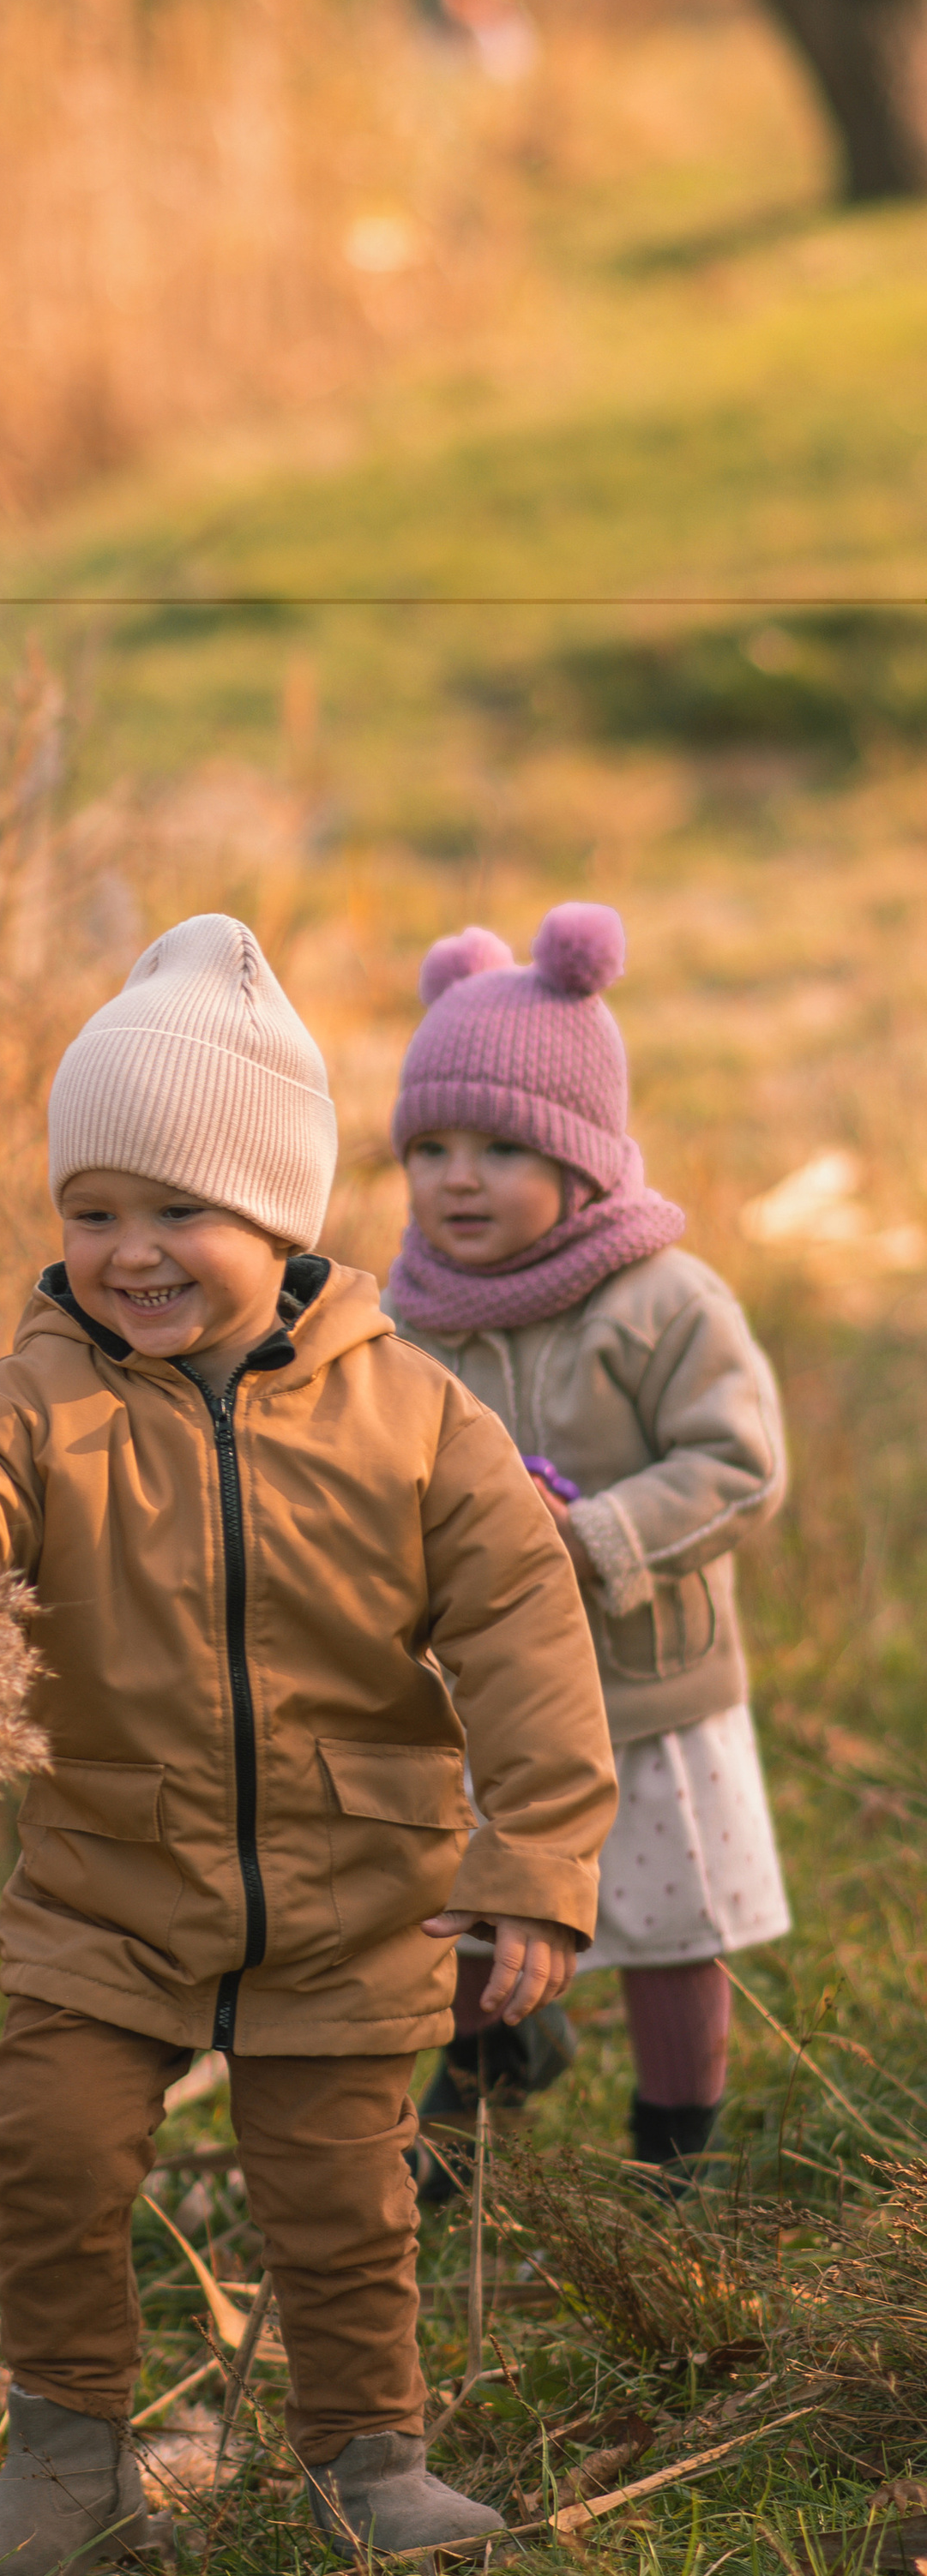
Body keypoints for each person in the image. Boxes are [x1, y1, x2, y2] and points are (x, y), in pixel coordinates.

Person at [0, 916, 614, 2576]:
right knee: (50, 2142)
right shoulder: (36, 1407)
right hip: (109, 1880)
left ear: (278, 1214)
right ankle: (66, 2455)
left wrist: (533, 1862)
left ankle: (366, 2459)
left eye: (177, 1210)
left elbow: (525, 1638)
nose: (128, 1253)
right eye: (91, 1213)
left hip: (351, 1889)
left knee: (341, 2193)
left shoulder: (412, 1421)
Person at [385, 905, 788, 2193]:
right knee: (464, 1898)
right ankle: (489, 2069)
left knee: (667, 1926)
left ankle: (678, 2147)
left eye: (502, 1147)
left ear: (585, 1159)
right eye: (431, 1148)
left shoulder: (661, 1301)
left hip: (646, 1688)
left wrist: (598, 1533)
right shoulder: (408, 1322)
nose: (458, 1178)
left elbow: (740, 1463)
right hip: (487, 1696)